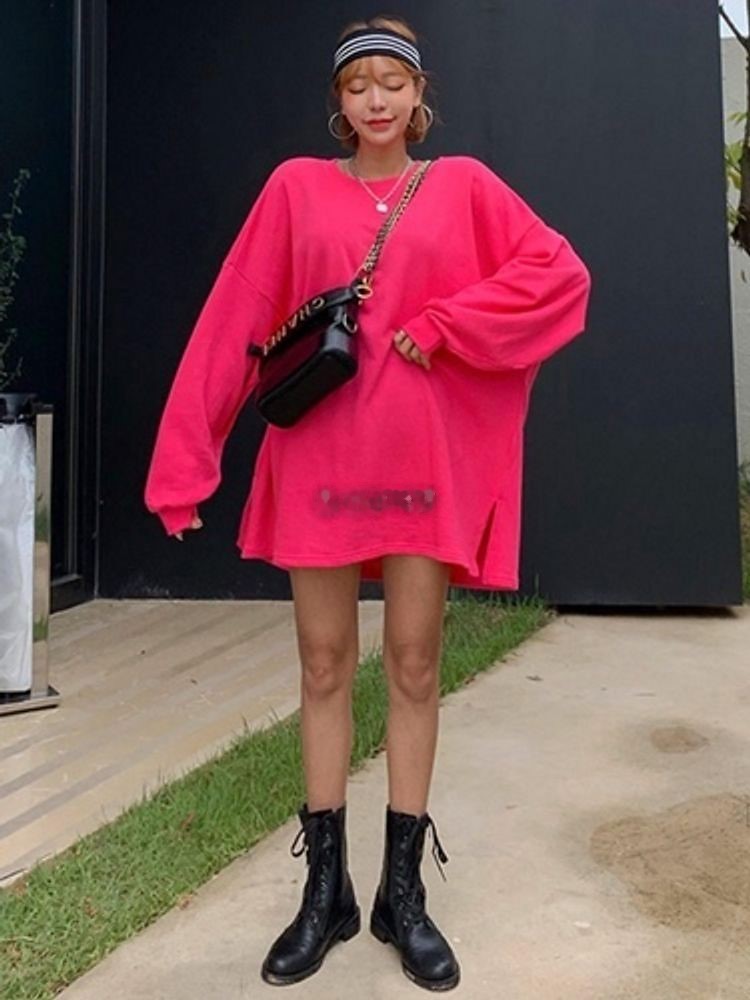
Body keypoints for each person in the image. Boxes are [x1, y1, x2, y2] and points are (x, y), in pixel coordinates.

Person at [144, 13, 592, 992]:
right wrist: (186, 461)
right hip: (319, 460)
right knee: (322, 665)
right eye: (358, 85)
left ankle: (402, 894)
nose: (377, 99)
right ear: (339, 102)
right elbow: (235, 315)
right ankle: (326, 894)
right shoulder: (294, 189)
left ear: (419, 94)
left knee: (415, 665)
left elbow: (560, 276)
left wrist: (452, 320)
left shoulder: (463, 185)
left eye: (393, 81)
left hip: (421, 466)